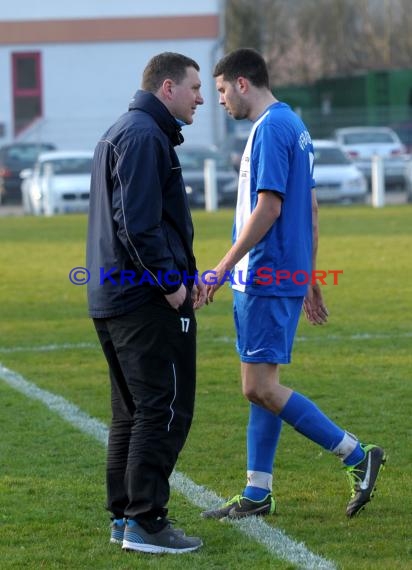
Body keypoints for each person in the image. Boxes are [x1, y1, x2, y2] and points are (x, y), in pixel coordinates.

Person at [202, 48, 385, 521]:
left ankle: (356, 454)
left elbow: (270, 208)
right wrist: (308, 275)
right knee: (261, 385)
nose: (219, 100)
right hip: (281, 272)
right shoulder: (294, 125)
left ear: (243, 83)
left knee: (259, 386)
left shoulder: (270, 129)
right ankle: (257, 491)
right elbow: (312, 208)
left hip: (263, 272)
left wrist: (220, 268)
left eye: (221, 90)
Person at [86, 52, 207, 554]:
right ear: (167, 88)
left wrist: (188, 274)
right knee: (162, 409)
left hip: (114, 296)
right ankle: (146, 521)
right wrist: (172, 284)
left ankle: (125, 517)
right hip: (143, 300)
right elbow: (138, 225)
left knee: (133, 414)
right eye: (195, 87)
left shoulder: (127, 131)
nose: (202, 97)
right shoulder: (142, 135)